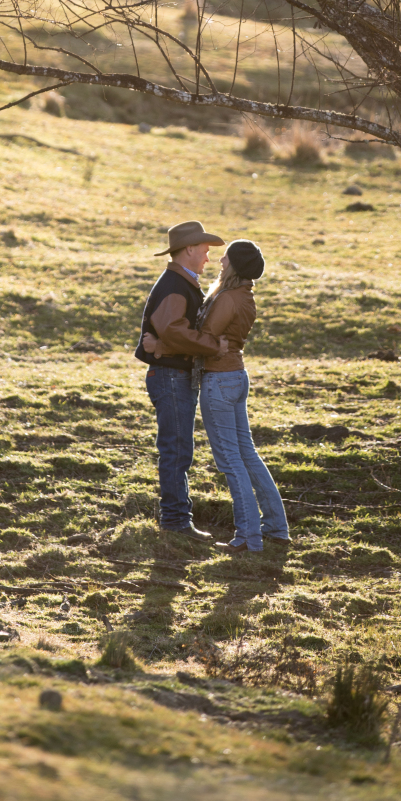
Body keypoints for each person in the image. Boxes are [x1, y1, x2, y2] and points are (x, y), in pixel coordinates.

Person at [143, 238, 289, 555]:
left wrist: (159, 346)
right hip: (236, 377)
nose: (219, 261)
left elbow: (205, 342)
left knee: (230, 461)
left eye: (225, 258)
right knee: (247, 455)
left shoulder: (226, 299)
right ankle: (277, 528)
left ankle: (248, 537)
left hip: (219, 380)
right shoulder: (244, 296)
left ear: (234, 265)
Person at [135, 219, 228, 544]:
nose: (207, 258)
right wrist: (213, 346)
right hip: (171, 377)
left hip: (173, 375)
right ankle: (175, 522)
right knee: (176, 450)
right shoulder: (175, 285)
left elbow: (170, 334)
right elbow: (174, 330)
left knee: (178, 449)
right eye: (204, 250)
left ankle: (176, 519)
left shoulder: (179, 282)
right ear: (189, 249)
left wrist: (162, 346)